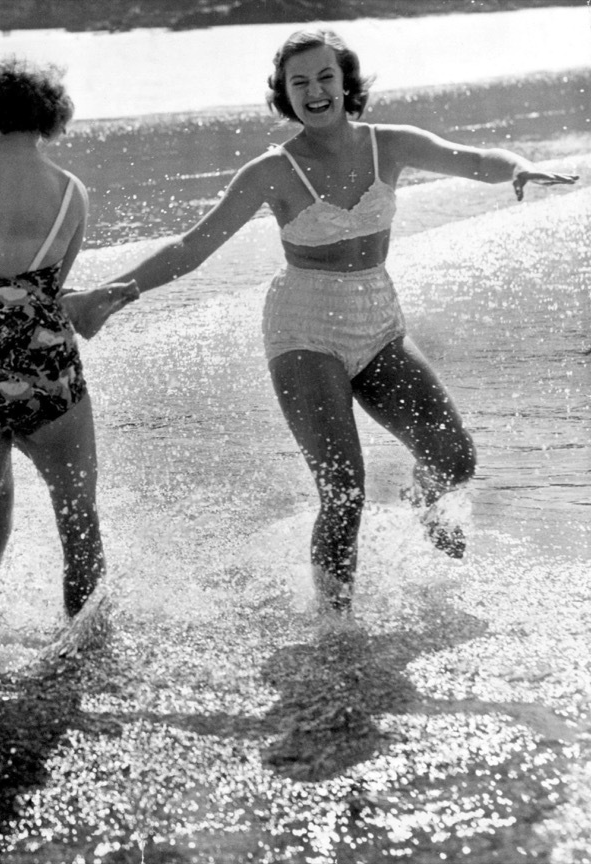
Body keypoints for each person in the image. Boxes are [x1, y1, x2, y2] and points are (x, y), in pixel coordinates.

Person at [101, 29, 577, 613]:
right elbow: (192, 246)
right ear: (284, 95)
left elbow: (473, 159)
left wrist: (519, 168)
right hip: (304, 329)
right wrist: (117, 290)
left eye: (325, 77)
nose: (315, 91)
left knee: (455, 458)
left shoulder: (390, 145)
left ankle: (421, 505)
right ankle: (334, 625)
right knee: (344, 491)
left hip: (378, 319)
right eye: (298, 83)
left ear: (346, 82)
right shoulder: (270, 172)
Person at [0, 59, 139, 651]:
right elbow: (43, 297)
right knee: (79, 520)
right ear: (48, 117)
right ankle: (84, 654)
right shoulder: (72, 192)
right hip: (49, 371)